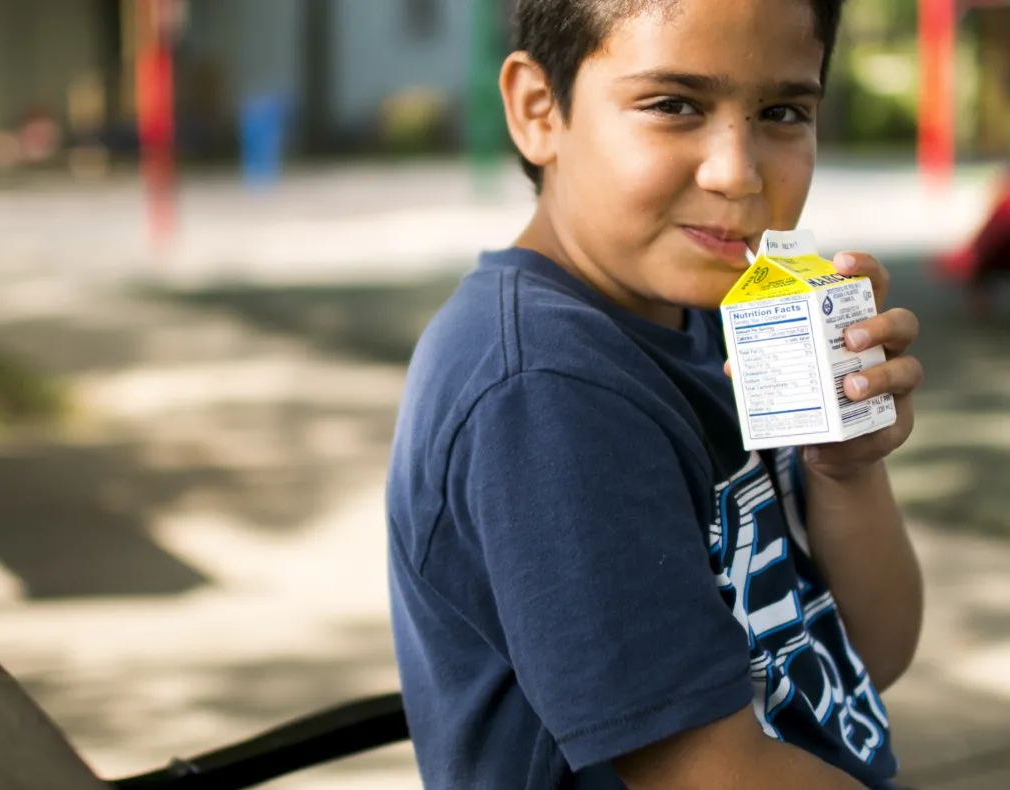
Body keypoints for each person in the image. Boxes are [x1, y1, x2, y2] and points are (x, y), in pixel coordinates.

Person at [385, 0, 926, 787]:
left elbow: (869, 655)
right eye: (674, 105)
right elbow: (710, 773)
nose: (736, 173)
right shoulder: (544, 390)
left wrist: (846, 467)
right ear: (540, 111)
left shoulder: (710, 315)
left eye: (781, 111)